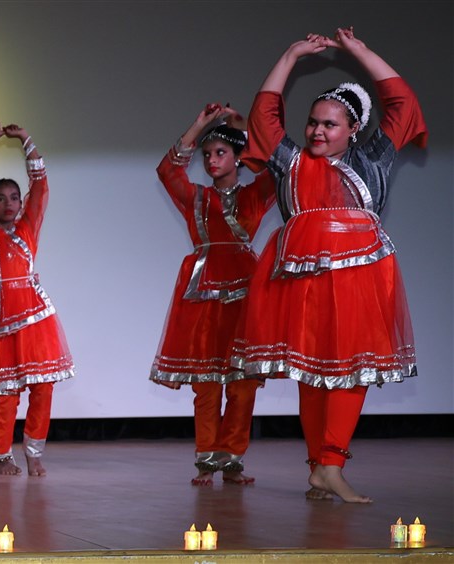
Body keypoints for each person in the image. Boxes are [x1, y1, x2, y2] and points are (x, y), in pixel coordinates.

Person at [236, 28, 425, 503]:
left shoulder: (373, 158)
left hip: (360, 280)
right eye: (313, 123)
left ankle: (333, 464)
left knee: (353, 369)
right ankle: (318, 468)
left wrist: (360, 51)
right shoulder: (291, 162)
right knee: (313, 371)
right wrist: (290, 55)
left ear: (354, 129)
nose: (317, 131)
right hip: (303, 280)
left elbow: (402, 103)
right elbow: (264, 115)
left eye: (330, 125)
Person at [149, 104, 276, 486]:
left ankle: (232, 459)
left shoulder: (254, 196)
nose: (211, 160)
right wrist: (199, 125)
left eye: (221, 152)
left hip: (244, 294)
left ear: (238, 157)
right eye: (207, 154)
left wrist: (244, 132)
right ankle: (206, 459)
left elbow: (276, 170)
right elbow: (167, 171)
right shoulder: (197, 198)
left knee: (242, 385)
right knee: (206, 384)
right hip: (203, 296)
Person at [0, 123, 74, 477]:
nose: (8, 203)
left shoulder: (28, 227)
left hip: (35, 317)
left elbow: (41, 184)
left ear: (22, 204)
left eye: (14, 198)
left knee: (43, 387)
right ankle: (2, 455)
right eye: (0, 198)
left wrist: (25, 140)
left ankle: (34, 451)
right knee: (7, 392)